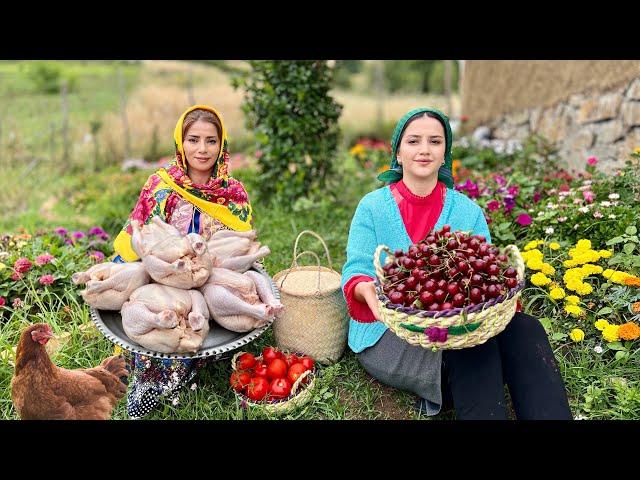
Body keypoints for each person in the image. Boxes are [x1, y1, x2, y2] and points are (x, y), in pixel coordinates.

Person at [341, 107, 572, 420]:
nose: (424, 150)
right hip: (393, 332)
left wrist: (497, 308)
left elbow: (489, 279)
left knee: (524, 328)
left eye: (435, 142)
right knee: (475, 347)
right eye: (413, 142)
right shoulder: (373, 207)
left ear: (445, 153)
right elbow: (356, 272)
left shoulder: (467, 212)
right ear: (398, 153)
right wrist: (371, 296)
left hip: (460, 325)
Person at [112, 104, 254, 418]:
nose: (202, 149)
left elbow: (241, 245)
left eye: (210, 141)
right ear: (181, 142)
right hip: (164, 277)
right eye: (193, 140)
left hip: (211, 276)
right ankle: (153, 381)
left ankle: (190, 365)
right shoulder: (161, 187)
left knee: (216, 305)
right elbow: (142, 236)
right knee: (159, 314)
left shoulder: (233, 193)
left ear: (222, 145)